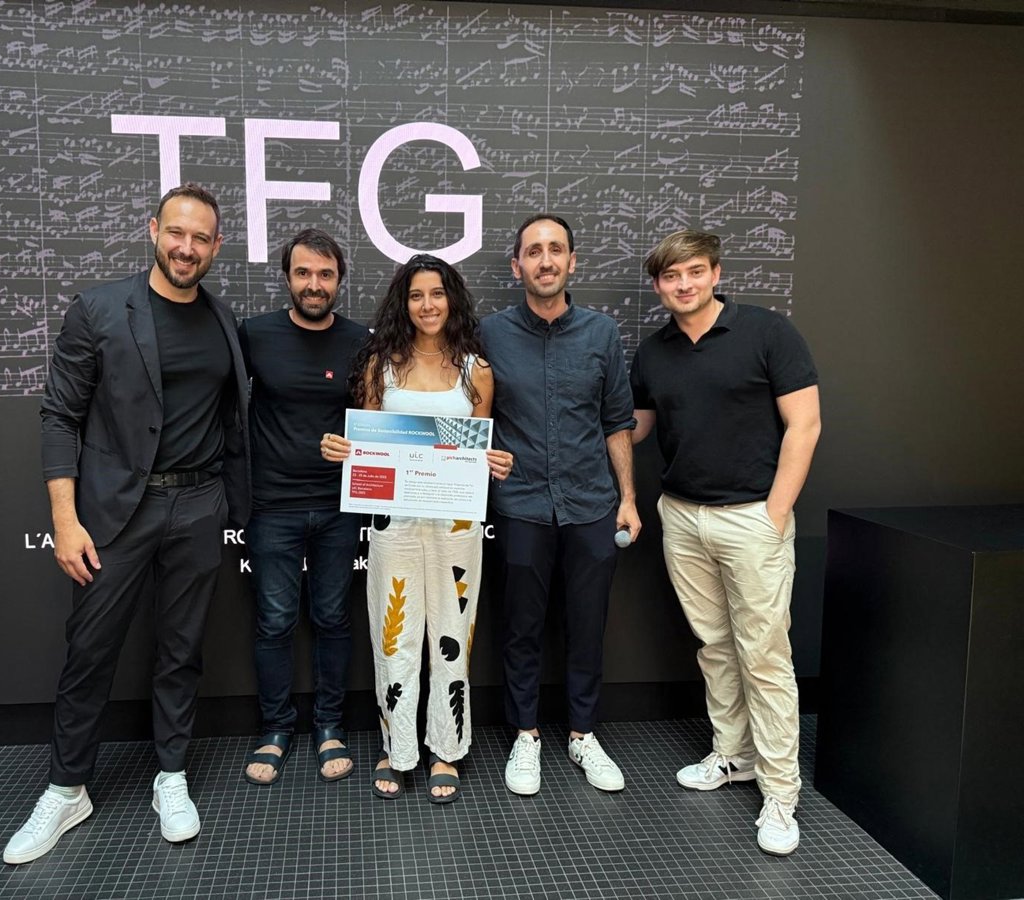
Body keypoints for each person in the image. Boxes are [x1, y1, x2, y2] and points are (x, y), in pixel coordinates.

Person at [3, 183, 251, 865]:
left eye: (200, 238)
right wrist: (65, 519)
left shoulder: (223, 320)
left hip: (199, 507)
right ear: (153, 230)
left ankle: (170, 775)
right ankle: (66, 789)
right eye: (176, 232)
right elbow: (60, 415)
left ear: (216, 246)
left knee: (182, 650)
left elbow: (231, 419)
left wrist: (228, 504)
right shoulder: (100, 309)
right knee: (90, 652)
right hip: (115, 514)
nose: (186, 248)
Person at [630, 229, 821, 856]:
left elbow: (804, 425)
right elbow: (636, 427)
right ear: (658, 286)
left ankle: (780, 792)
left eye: (694, 271)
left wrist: (775, 513)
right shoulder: (653, 352)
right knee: (715, 646)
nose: (683, 284)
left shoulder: (768, 332)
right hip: (683, 517)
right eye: (671, 276)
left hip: (751, 520)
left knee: (764, 657)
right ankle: (733, 755)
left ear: (715, 273)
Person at [320, 254, 512, 803]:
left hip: (456, 522)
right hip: (394, 520)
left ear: (452, 300)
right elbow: (370, 443)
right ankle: (396, 747)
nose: (427, 305)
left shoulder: (476, 369)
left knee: (453, 635)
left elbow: (476, 449)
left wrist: (494, 461)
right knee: (394, 636)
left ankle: (446, 748)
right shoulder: (380, 365)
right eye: (416, 295)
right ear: (402, 304)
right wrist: (344, 450)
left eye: (437, 293)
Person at [479, 214, 641, 797]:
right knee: (520, 628)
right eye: (533, 251)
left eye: (555, 250)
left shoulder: (602, 333)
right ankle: (526, 736)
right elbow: (471, 413)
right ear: (516, 265)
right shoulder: (488, 335)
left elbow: (617, 421)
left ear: (572, 261)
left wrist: (628, 498)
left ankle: (582, 734)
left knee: (587, 626)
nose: (544, 261)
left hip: (592, 504)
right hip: (519, 504)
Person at [238, 229, 368, 786]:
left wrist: (358, 447)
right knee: (274, 622)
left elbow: (377, 420)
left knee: (333, 618)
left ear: (339, 280)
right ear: (287, 277)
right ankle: (275, 728)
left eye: (325, 274)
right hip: (272, 506)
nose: (314, 284)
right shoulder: (253, 335)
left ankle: (329, 724)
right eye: (303, 273)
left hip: (341, 506)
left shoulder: (361, 341)